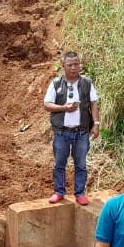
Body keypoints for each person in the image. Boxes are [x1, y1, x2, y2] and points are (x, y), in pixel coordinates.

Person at [44, 52, 101, 205]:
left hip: (81, 132)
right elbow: (47, 104)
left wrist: (96, 124)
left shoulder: (87, 83)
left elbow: (93, 103)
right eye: (70, 65)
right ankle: (59, 191)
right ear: (63, 66)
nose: (74, 68)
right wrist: (63, 108)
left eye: (76, 64)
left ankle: (80, 193)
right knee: (59, 164)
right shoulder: (56, 83)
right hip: (62, 132)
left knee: (81, 164)